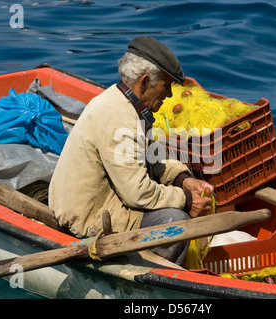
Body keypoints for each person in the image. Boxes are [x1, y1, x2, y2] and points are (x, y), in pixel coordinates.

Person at [49, 36, 213, 264]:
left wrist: (183, 180)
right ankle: (151, 278)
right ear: (144, 82)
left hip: (107, 202)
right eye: (165, 87)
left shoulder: (126, 104)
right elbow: (138, 193)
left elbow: (153, 157)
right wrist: (186, 200)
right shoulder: (118, 117)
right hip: (88, 217)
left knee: (174, 204)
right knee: (176, 222)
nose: (167, 96)